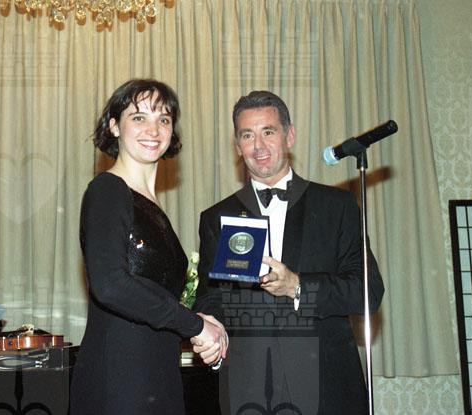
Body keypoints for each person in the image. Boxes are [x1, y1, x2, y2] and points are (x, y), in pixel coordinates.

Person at [194, 91, 385, 414]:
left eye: (268, 132)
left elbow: (367, 291)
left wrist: (297, 286)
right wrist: (211, 332)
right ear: (237, 146)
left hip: (328, 387)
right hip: (249, 390)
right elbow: (211, 300)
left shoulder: (336, 206)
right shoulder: (217, 217)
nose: (258, 146)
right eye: (247, 135)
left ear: (290, 136)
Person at [70, 79, 227, 415]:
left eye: (163, 119)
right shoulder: (108, 190)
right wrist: (195, 326)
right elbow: (111, 285)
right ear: (114, 126)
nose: (153, 129)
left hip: (156, 376)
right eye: (139, 117)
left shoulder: (151, 206)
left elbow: (155, 297)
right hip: (120, 381)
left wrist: (201, 321)